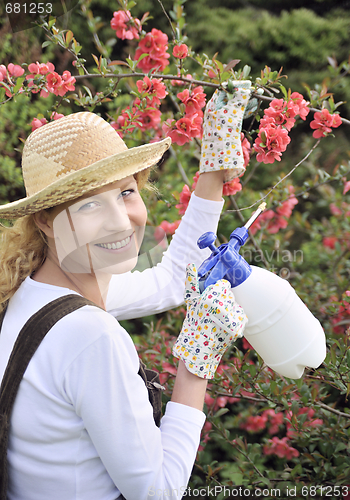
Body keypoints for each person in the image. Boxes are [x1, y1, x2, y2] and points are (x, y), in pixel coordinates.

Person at [0, 86, 251, 500]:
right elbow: (159, 491)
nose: (120, 222)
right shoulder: (90, 335)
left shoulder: (35, 295)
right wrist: (198, 360)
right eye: (89, 206)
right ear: (46, 221)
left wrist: (213, 170)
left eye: (126, 193)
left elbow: (172, 280)